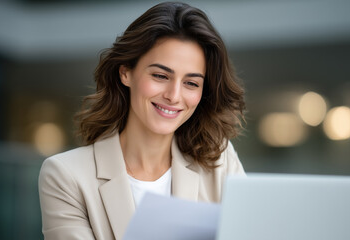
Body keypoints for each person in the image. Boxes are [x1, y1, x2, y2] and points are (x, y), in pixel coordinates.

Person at [38, 2, 246, 239]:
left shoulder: (220, 161)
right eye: (160, 75)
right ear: (126, 72)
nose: (174, 96)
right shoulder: (66, 175)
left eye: (191, 83)